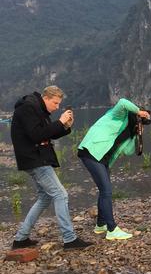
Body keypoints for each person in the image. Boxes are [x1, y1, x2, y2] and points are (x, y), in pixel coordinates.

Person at [10, 85, 93, 250]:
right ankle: (69, 239)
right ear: (46, 98)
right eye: (55, 103)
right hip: (34, 158)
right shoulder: (29, 108)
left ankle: (20, 239)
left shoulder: (38, 108)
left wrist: (65, 126)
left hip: (35, 158)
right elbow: (36, 135)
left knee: (45, 197)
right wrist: (59, 121)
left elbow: (47, 133)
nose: (56, 107)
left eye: (58, 104)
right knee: (60, 195)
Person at [77, 98, 150, 240]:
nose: (142, 125)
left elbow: (128, 151)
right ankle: (112, 229)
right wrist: (139, 111)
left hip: (102, 158)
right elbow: (123, 101)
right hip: (91, 152)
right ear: (136, 116)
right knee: (106, 191)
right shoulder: (118, 115)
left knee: (104, 190)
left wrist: (137, 134)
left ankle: (101, 224)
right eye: (142, 122)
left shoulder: (130, 130)